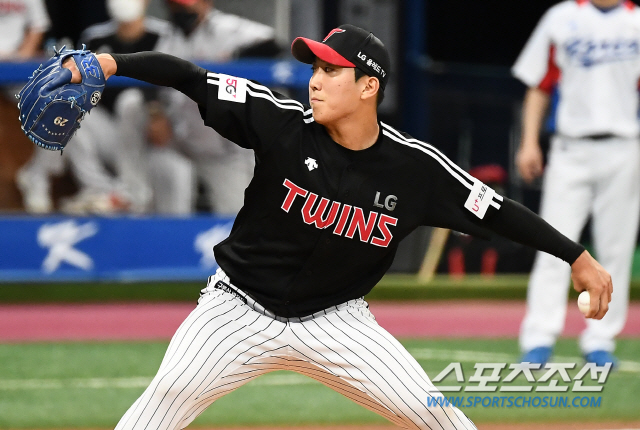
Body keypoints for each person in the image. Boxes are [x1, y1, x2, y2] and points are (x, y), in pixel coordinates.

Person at [64, 24, 612, 429]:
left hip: (337, 323)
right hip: (235, 312)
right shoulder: (280, 121)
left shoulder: (415, 169)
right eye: (314, 69)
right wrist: (111, 62)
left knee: (444, 420)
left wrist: (577, 256)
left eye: (330, 70)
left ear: (368, 86)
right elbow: (189, 76)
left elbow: (498, 211)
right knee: (156, 410)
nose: (315, 81)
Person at [513, 0, 640, 368]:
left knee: (615, 249)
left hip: (624, 146)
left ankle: (601, 340)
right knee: (553, 243)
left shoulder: (636, 21)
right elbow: (539, 84)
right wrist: (529, 141)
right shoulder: (562, 18)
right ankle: (539, 337)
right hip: (570, 147)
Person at [145, 0, 280, 214]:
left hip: (222, 151)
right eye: (174, 5)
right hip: (179, 143)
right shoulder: (169, 37)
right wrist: (155, 113)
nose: (179, 10)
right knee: (131, 105)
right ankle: (130, 195)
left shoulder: (227, 28)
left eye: (185, 5)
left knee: (236, 217)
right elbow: (147, 77)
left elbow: (273, 45)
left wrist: (233, 60)